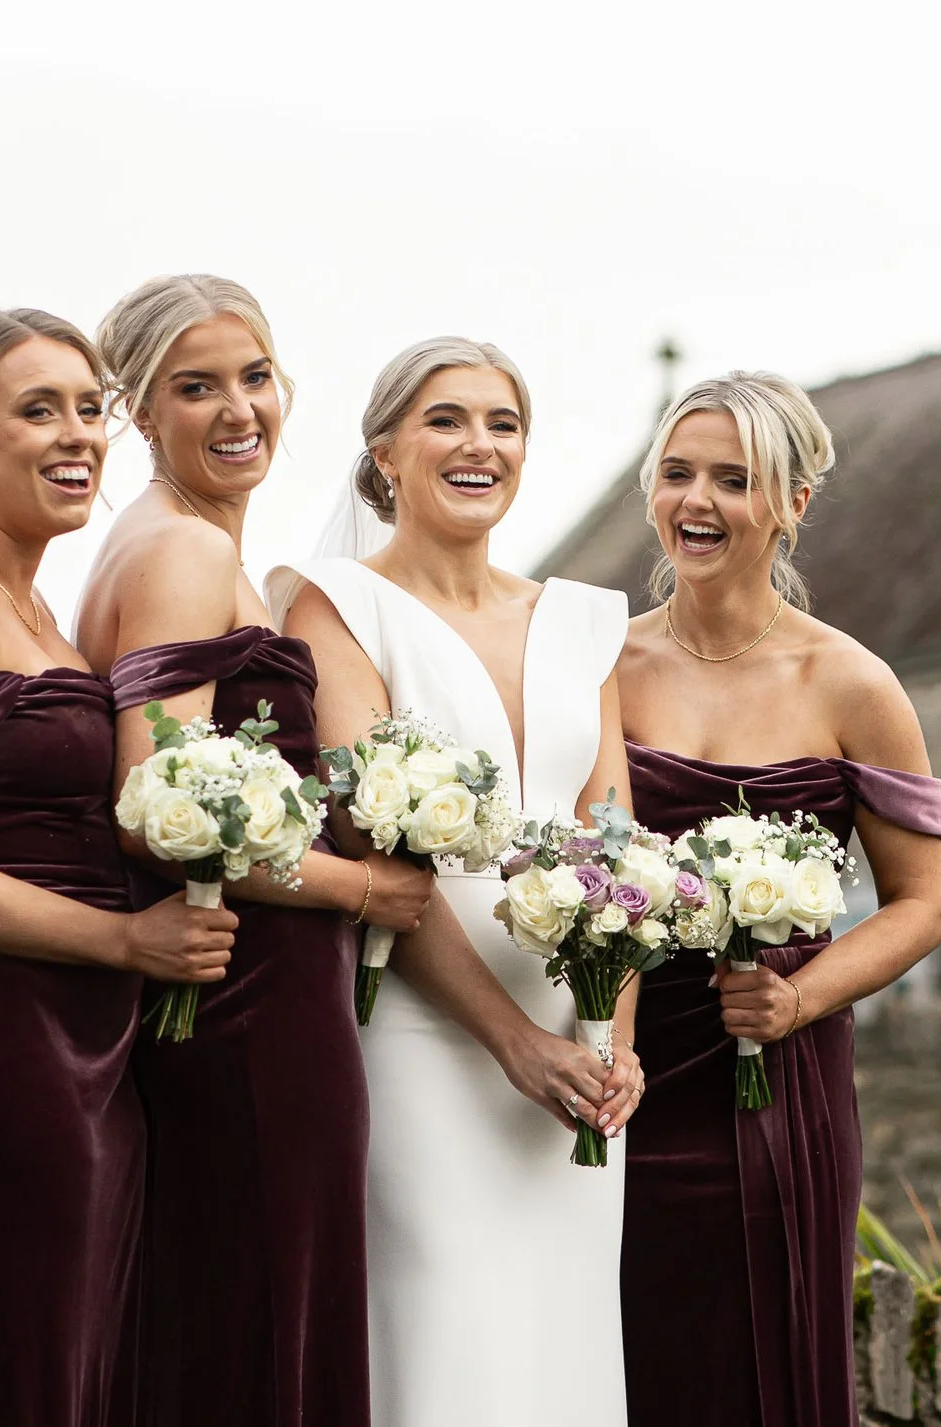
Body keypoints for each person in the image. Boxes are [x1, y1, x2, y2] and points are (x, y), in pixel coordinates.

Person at [0, 306, 237, 1427]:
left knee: (62, 1360)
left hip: (78, 1031)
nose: (79, 435)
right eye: (37, 410)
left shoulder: (37, 604)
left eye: (89, 407)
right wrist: (126, 939)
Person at [74, 276, 431, 1427]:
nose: (239, 410)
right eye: (197, 387)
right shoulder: (180, 551)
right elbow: (155, 805)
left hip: (250, 994)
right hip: (247, 1006)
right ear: (138, 409)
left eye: (256, 376)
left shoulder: (186, 544)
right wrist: (362, 885)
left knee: (237, 1314)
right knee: (260, 1318)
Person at [270, 337, 641, 1427]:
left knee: (563, 1351)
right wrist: (511, 1041)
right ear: (384, 451)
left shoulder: (585, 620)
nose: (479, 443)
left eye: (503, 423)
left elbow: (616, 853)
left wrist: (613, 1043)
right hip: (425, 1037)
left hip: (574, 1055)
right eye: (446, 419)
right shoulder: (336, 605)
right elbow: (376, 850)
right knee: (443, 1343)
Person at [613, 370, 941, 1427]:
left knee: (762, 1358)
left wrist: (797, 998)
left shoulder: (852, 683)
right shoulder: (600, 666)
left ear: (793, 502)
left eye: (734, 478)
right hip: (618, 1068)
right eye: (677, 473)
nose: (697, 501)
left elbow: (923, 902)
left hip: (771, 1074)